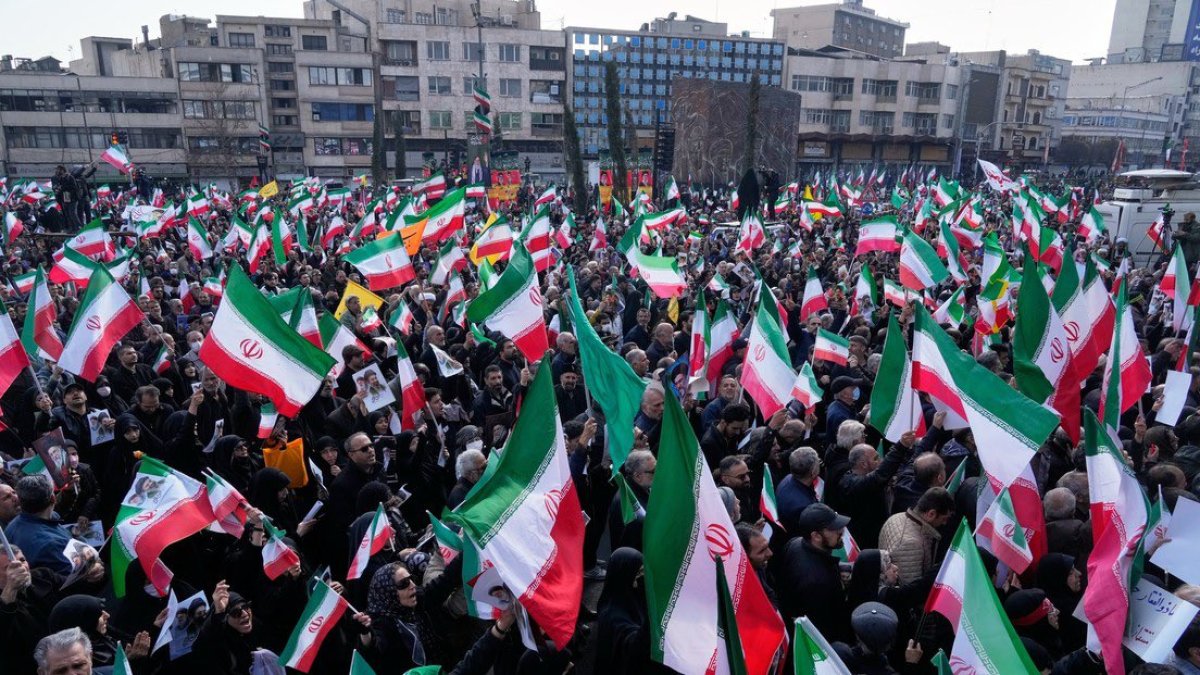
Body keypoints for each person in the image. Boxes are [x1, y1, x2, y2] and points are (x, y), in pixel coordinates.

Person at [779, 503, 852, 642]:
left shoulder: (795, 543)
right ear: (816, 536)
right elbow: (823, 630)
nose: (841, 531)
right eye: (834, 528)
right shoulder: (817, 583)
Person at [878, 487, 955, 584]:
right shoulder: (911, 544)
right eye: (944, 519)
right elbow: (910, 589)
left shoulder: (896, 517)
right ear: (931, 514)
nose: (944, 523)